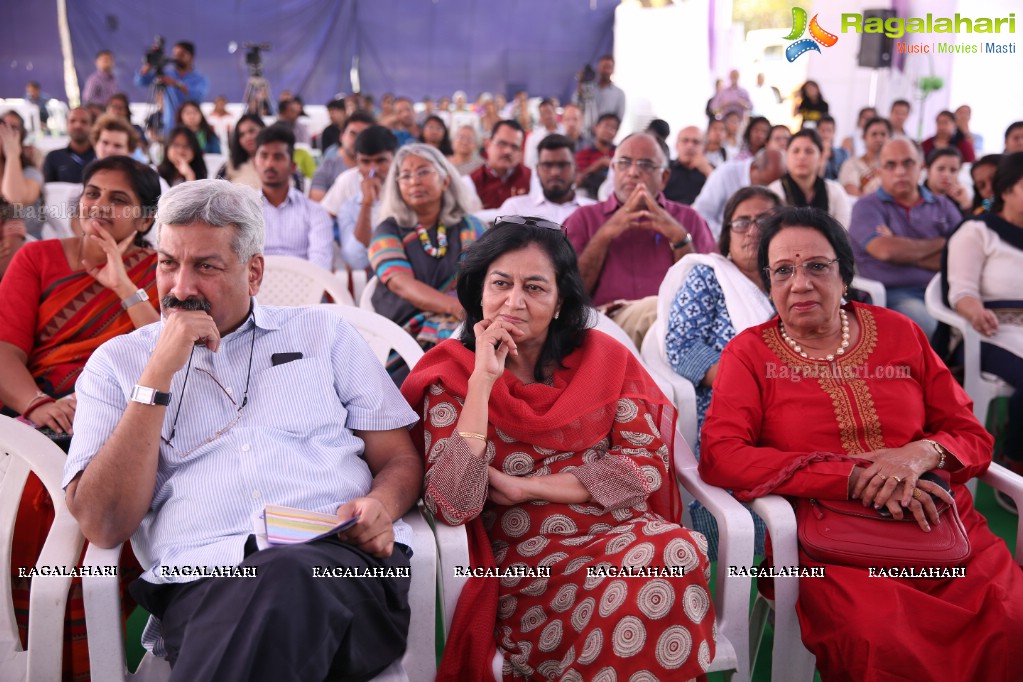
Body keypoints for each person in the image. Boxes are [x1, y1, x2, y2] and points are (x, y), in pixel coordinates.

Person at [62, 179, 422, 680]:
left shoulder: (326, 334)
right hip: (203, 582)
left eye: (205, 266)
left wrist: (382, 503)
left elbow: (399, 460)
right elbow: (102, 523)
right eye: (168, 263)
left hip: (340, 565)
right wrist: (156, 376)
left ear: (253, 272)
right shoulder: (118, 365)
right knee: (269, 599)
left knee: (288, 577)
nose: (181, 288)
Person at [700, 205, 1023, 682]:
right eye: (783, 271)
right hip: (826, 548)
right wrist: (850, 477)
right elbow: (722, 454)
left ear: (845, 274)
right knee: (880, 638)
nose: (801, 283)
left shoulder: (900, 332)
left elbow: (971, 434)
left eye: (816, 266)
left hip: (944, 529)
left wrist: (920, 453)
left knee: (1011, 619)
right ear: (769, 285)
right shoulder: (749, 353)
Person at [402, 218, 716, 681]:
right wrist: (483, 382)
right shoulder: (450, 376)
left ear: (559, 301)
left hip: (627, 534)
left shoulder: (603, 360)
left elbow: (646, 465)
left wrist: (528, 487)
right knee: (663, 568)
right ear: (478, 295)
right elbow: (452, 501)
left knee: (673, 551)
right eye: (501, 284)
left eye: (535, 287)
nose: (515, 302)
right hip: (531, 562)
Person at [0, 156, 161, 680]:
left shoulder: (162, 267)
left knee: (110, 506)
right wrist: (37, 405)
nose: (99, 207)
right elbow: (5, 350)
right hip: (43, 408)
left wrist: (121, 284)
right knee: (31, 498)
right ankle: (37, 648)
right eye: (92, 193)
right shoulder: (38, 258)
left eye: (118, 200)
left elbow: (167, 351)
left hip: (124, 410)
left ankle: (88, 654)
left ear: (144, 218)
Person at [665, 186, 780, 556]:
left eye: (764, 221)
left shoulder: (794, 281)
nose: (752, 230)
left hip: (796, 402)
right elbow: (683, 347)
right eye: (742, 222)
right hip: (728, 404)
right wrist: (752, 387)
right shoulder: (709, 277)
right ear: (727, 234)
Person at [564, 133, 716, 346]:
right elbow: (569, 294)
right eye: (624, 163)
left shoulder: (688, 220)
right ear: (613, 170)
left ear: (664, 178)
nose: (633, 172)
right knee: (655, 311)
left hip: (679, 330)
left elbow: (707, 295)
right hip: (604, 327)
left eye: (645, 165)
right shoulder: (584, 218)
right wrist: (605, 234)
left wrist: (680, 238)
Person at [947, 151, 1023, 509]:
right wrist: (973, 310)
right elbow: (960, 290)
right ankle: (1016, 463)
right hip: (990, 333)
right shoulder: (977, 231)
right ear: (1007, 190)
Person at [368, 143, 485, 352]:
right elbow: (401, 284)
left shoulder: (471, 227)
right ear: (397, 186)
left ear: (445, 180)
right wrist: (455, 308)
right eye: (405, 176)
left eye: (423, 172)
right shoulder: (389, 229)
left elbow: (487, 279)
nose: (414, 181)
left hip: (464, 324)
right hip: (403, 334)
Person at [849, 138, 962, 337]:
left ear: (921, 166)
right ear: (879, 171)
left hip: (946, 290)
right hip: (890, 294)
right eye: (890, 165)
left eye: (907, 163)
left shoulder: (943, 205)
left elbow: (961, 257)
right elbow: (886, 251)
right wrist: (942, 242)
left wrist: (902, 250)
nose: (900, 171)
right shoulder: (866, 207)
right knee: (921, 320)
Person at [254, 125, 333, 271]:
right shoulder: (243, 212)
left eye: (278, 157)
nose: (269, 164)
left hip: (306, 290)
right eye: (264, 156)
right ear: (255, 163)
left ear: (292, 166)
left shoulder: (315, 212)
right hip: (255, 291)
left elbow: (320, 265)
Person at [336, 125, 399, 270]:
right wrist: (367, 204)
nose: (373, 170)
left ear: (395, 160)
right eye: (365, 162)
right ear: (357, 164)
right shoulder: (349, 207)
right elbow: (355, 260)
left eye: (381, 161)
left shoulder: (411, 200)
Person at [496, 133, 594, 224]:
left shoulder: (594, 211)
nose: (555, 172)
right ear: (537, 169)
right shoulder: (515, 209)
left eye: (562, 165)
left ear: (575, 168)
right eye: (547, 165)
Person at [692, 148, 785, 238]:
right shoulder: (726, 173)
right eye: (763, 182)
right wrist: (729, 236)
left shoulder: (773, 182)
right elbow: (701, 213)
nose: (766, 187)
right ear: (754, 166)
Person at [768, 129, 851, 228]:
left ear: (820, 157)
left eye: (809, 151)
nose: (802, 156)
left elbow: (842, 232)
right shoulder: (773, 192)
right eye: (796, 151)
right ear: (787, 156)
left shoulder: (835, 191)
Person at [134, 40, 209, 136]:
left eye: (181, 54)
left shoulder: (200, 79)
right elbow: (141, 81)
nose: (177, 57)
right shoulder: (166, 74)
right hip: (169, 127)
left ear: (191, 57)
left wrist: (175, 84)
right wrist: (150, 64)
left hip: (191, 128)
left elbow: (197, 96)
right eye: (175, 54)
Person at [0, 110, 45, 270]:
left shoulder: (30, 173)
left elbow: (14, 198)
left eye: (13, 128)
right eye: (3, 127)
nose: (7, 134)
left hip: (27, 243)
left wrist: (12, 154)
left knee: (13, 219)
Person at [311, 110, 375, 202]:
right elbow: (316, 206)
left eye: (363, 136)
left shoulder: (378, 169)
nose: (358, 140)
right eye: (353, 134)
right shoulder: (327, 167)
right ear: (342, 136)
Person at [470, 120, 531, 209]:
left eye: (514, 147)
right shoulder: (472, 182)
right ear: (488, 145)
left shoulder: (532, 179)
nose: (508, 151)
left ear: (520, 152)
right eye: (502, 144)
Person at [839, 116, 891, 197]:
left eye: (883, 134)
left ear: (889, 138)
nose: (879, 138)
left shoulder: (894, 167)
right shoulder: (851, 165)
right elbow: (853, 197)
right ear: (864, 137)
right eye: (874, 134)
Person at [42, 107, 96, 183]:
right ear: (66, 124)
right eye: (72, 121)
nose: (77, 126)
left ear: (92, 126)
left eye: (84, 122)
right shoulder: (53, 157)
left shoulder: (100, 156)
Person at [574, 112, 619, 198]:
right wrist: (598, 165)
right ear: (595, 127)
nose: (609, 131)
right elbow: (577, 181)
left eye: (613, 128)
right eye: (606, 126)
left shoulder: (619, 153)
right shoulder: (583, 154)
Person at [664, 126, 712, 205]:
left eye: (696, 142)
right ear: (676, 145)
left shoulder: (712, 171)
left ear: (704, 148)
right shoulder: (665, 168)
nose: (690, 146)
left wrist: (708, 172)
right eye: (685, 141)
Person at [215, 113, 265, 189]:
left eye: (251, 131)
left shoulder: (278, 162)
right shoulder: (230, 166)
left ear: (263, 130)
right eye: (242, 135)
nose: (248, 137)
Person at [924, 147, 971, 214]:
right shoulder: (915, 197)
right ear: (928, 170)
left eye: (953, 170)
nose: (947, 175)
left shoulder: (960, 200)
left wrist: (966, 205)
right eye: (941, 169)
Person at [522, 98, 564, 169]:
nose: (547, 116)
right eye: (543, 114)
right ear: (540, 116)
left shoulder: (565, 132)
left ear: (554, 112)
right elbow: (529, 163)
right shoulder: (533, 137)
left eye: (549, 112)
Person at [590, 54, 626, 121]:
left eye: (608, 67)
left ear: (613, 70)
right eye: (603, 67)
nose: (605, 71)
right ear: (598, 68)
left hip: (607, 130)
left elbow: (619, 118)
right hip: (586, 130)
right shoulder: (588, 90)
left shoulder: (619, 94)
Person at [815, 115, 848, 181]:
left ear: (834, 132)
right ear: (817, 131)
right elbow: (815, 181)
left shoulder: (843, 154)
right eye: (822, 131)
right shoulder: (811, 154)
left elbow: (847, 179)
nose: (825, 135)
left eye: (829, 131)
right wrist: (823, 158)